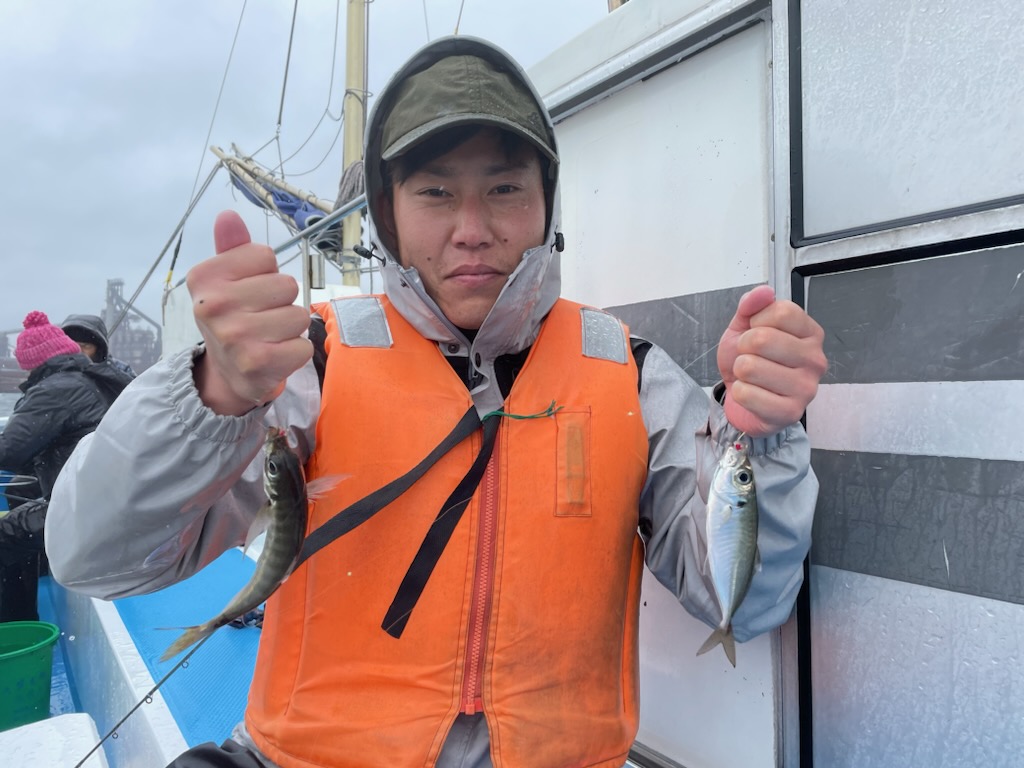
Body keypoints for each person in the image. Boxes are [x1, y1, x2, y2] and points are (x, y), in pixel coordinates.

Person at [46, 36, 827, 768]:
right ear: (388, 213)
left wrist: (762, 438)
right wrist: (209, 399)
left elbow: (743, 602)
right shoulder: (305, 365)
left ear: (548, 204)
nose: (472, 230)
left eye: (505, 189)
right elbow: (95, 557)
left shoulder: (632, 374)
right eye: (435, 193)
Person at [0, 310, 130, 621]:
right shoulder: (95, 379)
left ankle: (15, 624)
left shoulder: (55, 389)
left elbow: (9, 452)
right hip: (117, 497)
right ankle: (24, 608)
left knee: (5, 537)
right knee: (21, 512)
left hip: (89, 507)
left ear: (31, 362)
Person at [61, 313, 138, 378]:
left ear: (99, 349)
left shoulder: (122, 372)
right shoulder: (55, 370)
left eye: (86, 346)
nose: (79, 351)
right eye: (73, 345)